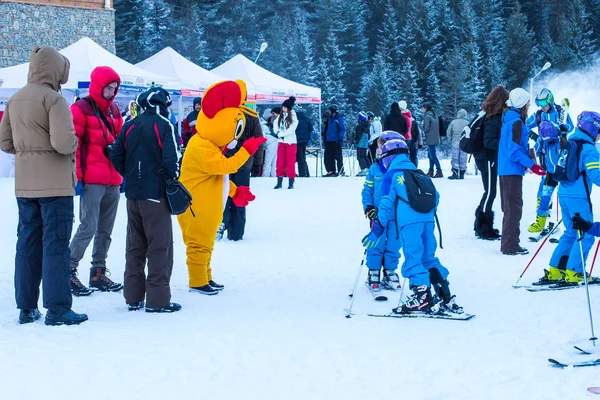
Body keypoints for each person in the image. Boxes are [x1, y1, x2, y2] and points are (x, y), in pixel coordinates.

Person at [0, 46, 88, 325]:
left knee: (27, 244)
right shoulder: (54, 99)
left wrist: (28, 152)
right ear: (56, 69)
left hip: (25, 186)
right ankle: (58, 308)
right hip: (56, 187)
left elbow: (5, 143)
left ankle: (27, 307)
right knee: (56, 245)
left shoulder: (14, 99)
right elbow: (63, 143)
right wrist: (75, 143)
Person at [176, 80, 266, 295]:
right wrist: (246, 150)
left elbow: (220, 177)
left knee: (207, 243)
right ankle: (197, 281)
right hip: (196, 206)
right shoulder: (200, 145)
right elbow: (225, 166)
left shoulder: (209, 145)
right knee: (198, 245)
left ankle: (206, 277)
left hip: (207, 206)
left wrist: (236, 192)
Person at [362, 139, 462, 314]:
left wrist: (377, 230)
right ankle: (444, 293)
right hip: (428, 221)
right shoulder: (419, 173)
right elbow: (435, 197)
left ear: (388, 157)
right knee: (428, 258)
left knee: (413, 257)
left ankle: (421, 297)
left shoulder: (391, 176)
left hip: (409, 224)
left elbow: (385, 205)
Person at [110, 87, 182, 313]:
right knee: (159, 246)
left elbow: (115, 155)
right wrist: (170, 179)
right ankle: (157, 299)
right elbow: (172, 161)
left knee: (135, 246)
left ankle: (133, 297)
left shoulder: (129, 125)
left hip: (133, 194)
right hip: (156, 195)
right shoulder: (164, 125)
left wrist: (130, 174)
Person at [68, 66, 124, 297]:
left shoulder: (114, 110)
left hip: (113, 179)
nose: (111, 92)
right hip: (92, 179)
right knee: (88, 227)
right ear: (98, 86)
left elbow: (120, 142)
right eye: (108, 88)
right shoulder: (80, 108)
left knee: (106, 230)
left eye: (114, 88)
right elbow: (75, 146)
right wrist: (77, 177)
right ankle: (68, 270)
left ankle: (97, 272)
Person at [540, 111, 600, 284]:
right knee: (586, 233)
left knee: (571, 232)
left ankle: (556, 270)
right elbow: (597, 176)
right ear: (593, 129)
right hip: (579, 197)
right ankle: (575, 272)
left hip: (563, 194)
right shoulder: (588, 149)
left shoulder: (569, 143)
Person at [498, 88, 546, 256]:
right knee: (514, 208)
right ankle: (510, 245)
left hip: (505, 169)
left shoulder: (510, 118)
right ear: (522, 104)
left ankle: (508, 243)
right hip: (511, 170)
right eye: (527, 101)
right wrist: (532, 165)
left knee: (510, 207)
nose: (529, 104)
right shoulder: (516, 122)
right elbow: (514, 151)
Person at [525, 88, 575, 233]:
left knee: (566, 194)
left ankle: (570, 220)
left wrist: (561, 130)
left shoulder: (559, 112)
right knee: (544, 192)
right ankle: (540, 220)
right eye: (539, 103)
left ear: (550, 101)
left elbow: (570, 126)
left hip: (561, 159)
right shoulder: (539, 115)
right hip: (546, 158)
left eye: (544, 103)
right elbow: (525, 125)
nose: (542, 106)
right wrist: (535, 137)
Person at [361, 131, 404, 292]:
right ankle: (373, 271)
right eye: (378, 148)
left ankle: (390, 271)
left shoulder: (401, 170)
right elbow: (367, 190)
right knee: (376, 243)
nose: (379, 151)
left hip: (397, 216)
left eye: (382, 147)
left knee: (394, 244)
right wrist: (368, 206)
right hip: (378, 214)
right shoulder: (374, 169)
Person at [218, 99, 264, 240]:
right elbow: (259, 140)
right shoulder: (252, 115)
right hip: (245, 163)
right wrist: (257, 162)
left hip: (226, 161)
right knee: (241, 196)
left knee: (224, 195)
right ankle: (237, 232)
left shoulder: (225, 114)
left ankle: (221, 225)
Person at [473, 85, 509, 240]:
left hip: (484, 157)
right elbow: (489, 142)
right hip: (487, 158)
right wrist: (504, 144)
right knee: (490, 192)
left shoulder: (486, 113)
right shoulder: (493, 118)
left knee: (489, 191)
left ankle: (480, 225)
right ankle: (484, 228)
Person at [273, 97, 299, 189]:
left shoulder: (293, 116)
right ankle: (279, 181)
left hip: (291, 143)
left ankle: (291, 181)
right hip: (281, 142)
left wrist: (282, 134)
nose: (283, 109)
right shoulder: (281, 116)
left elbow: (292, 129)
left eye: (284, 107)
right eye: (282, 107)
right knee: (280, 162)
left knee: (290, 163)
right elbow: (275, 124)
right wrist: (277, 132)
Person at [446, 109, 469, 180]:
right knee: (463, 157)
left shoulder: (453, 122)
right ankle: (462, 173)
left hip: (455, 141)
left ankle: (455, 173)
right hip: (464, 142)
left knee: (455, 157)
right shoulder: (467, 123)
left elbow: (448, 131)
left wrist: (450, 139)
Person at [323, 104, 346, 177]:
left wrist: (340, 138)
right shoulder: (329, 118)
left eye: (329, 110)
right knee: (330, 157)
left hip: (336, 140)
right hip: (329, 140)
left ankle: (340, 171)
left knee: (338, 157)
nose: (328, 111)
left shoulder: (338, 118)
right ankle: (331, 170)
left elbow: (342, 128)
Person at [422, 103, 442, 178]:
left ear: (425, 108)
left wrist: (422, 126)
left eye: (423, 108)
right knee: (431, 155)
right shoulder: (434, 115)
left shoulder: (427, 116)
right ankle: (431, 171)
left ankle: (439, 170)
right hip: (436, 137)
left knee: (432, 155)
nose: (422, 109)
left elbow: (426, 128)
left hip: (430, 138)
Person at [295, 106, 313, 177]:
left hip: (297, 140)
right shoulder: (306, 118)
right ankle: (305, 173)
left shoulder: (295, 119)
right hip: (304, 141)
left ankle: (302, 173)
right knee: (302, 157)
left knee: (298, 158)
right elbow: (311, 129)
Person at [262, 107, 279, 177]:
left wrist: (263, 145)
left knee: (267, 161)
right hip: (276, 142)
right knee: (274, 162)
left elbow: (262, 136)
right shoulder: (269, 124)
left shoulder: (263, 125)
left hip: (270, 144)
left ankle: (265, 176)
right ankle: (273, 175)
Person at [398, 101, 417, 166]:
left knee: (403, 154)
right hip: (409, 137)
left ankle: (406, 167)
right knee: (408, 154)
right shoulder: (409, 116)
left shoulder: (402, 116)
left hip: (404, 137)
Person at [354, 111, 370, 175]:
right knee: (364, 156)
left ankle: (364, 169)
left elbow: (358, 135)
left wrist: (355, 141)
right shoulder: (367, 125)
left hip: (360, 143)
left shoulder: (359, 126)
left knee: (360, 157)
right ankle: (368, 168)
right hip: (365, 144)